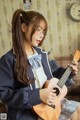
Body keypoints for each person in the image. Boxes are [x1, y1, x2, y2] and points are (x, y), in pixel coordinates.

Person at [0, 9, 79, 120]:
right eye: (39, 30)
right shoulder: (7, 60)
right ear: (23, 28)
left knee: (77, 110)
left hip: (49, 106)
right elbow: (5, 95)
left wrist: (68, 72)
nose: (42, 36)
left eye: (44, 32)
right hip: (27, 113)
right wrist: (38, 95)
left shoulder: (42, 54)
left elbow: (50, 80)